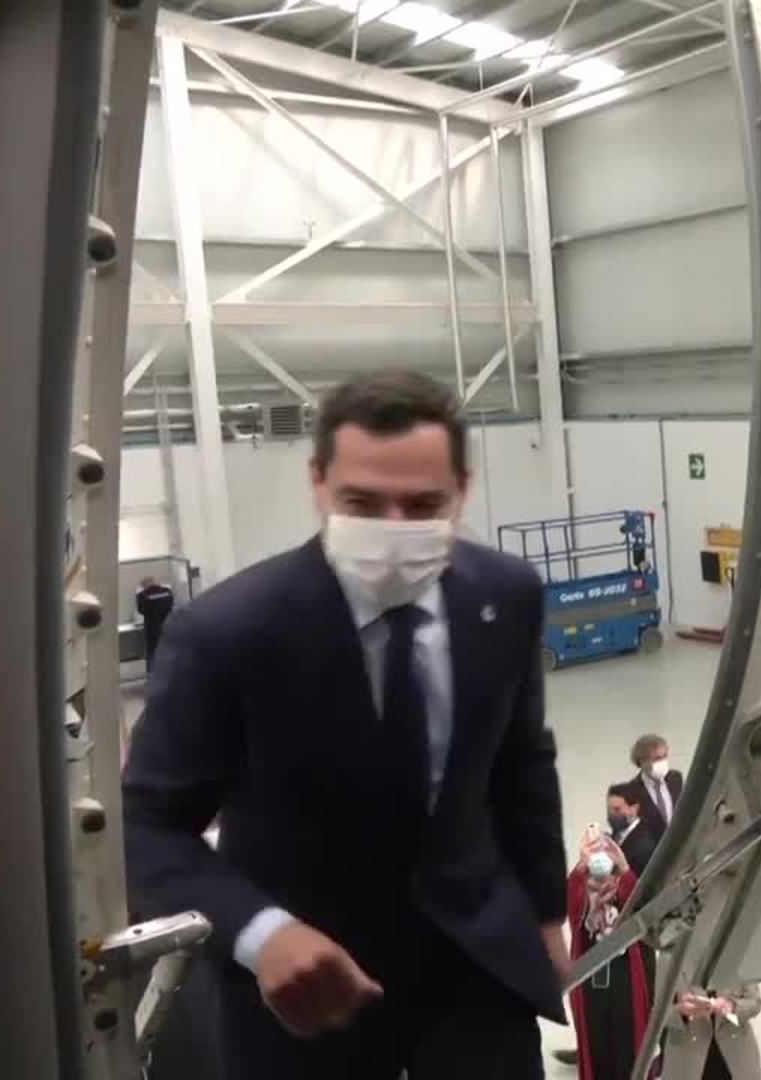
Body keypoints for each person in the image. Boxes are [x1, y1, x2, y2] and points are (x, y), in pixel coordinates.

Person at [123, 371, 571, 1080]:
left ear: (463, 490)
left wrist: (546, 916)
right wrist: (263, 933)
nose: (393, 529)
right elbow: (145, 826)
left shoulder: (507, 598)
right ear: (317, 483)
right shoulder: (229, 633)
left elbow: (522, 762)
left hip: (477, 976)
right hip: (305, 997)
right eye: (362, 503)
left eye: (422, 505)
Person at [567, 826, 654, 1080]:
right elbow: (569, 903)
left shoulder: (624, 887)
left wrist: (624, 867)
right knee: (597, 1050)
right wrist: (581, 866)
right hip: (591, 985)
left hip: (624, 981)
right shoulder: (582, 891)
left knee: (629, 1049)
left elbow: (642, 905)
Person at [663, 984, 761, 1080]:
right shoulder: (669, 971)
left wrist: (732, 1006)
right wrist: (681, 1011)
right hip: (687, 1060)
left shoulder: (738, 970)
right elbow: (657, 1011)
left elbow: (755, 1002)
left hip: (737, 1056)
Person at [626, 735, 684, 846]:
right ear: (642, 761)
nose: (662, 762)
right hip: (655, 851)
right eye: (657, 758)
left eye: (664, 756)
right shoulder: (631, 792)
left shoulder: (676, 778)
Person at [608, 783, 657, 878]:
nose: (612, 815)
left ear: (634, 809)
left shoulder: (644, 845)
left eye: (617, 809)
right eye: (609, 810)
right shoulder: (615, 835)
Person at [135, 575, 176, 670]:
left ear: (144, 585)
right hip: (168, 626)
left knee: (152, 652)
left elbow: (141, 610)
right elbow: (171, 604)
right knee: (169, 650)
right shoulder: (167, 591)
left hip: (152, 629)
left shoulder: (142, 595)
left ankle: (153, 673)